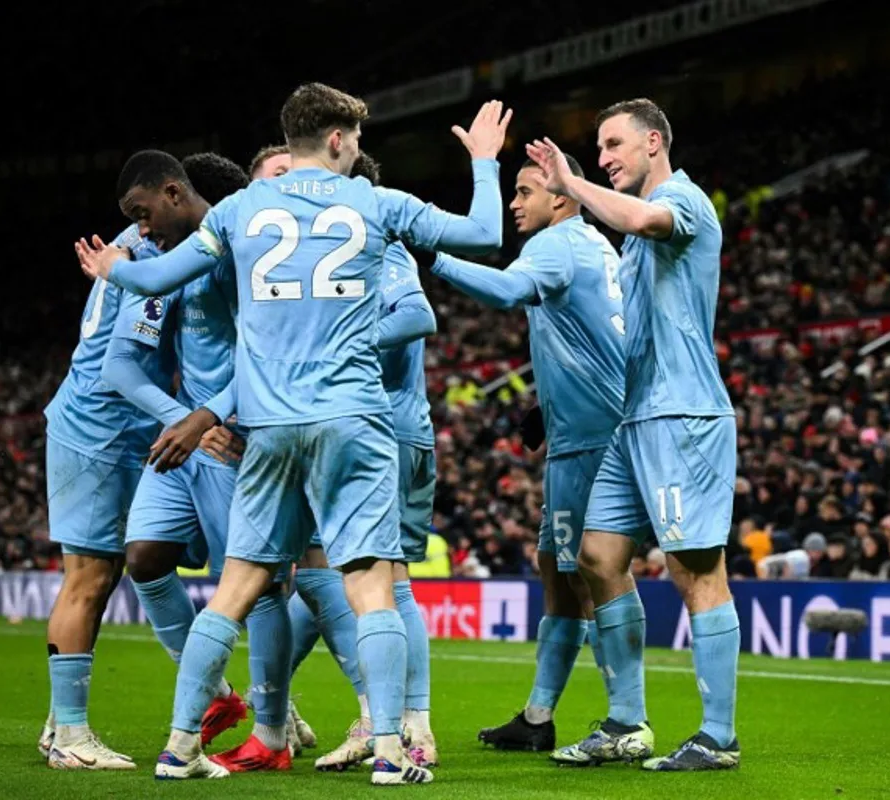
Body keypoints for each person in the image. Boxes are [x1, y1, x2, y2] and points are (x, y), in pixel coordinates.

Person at [76, 84, 510, 785]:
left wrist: (113, 270)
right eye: (357, 141)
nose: (358, 151)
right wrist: (484, 161)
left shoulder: (243, 208)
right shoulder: (376, 203)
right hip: (353, 422)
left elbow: (156, 275)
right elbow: (486, 235)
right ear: (339, 140)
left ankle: (180, 746)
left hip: (269, 428)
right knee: (372, 586)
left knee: (235, 590)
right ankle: (394, 754)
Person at [526, 98, 740, 771]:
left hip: (683, 415)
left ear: (654, 142)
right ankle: (625, 723)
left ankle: (719, 737)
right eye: (600, 147)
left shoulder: (684, 200)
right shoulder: (624, 244)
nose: (608, 156)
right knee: (596, 555)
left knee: (695, 571)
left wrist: (571, 183)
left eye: (615, 144)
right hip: (634, 418)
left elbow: (646, 219)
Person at [101, 150, 307, 773]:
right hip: (189, 438)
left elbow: (271, 354)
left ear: (172, 193)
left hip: (239, 439)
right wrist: (182, 419)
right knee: (144, 556)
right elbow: (119, 365)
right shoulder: (168, 265)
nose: (140, 231)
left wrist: (211, 415)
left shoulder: (243, 250)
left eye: (143, 215)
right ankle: (217, 695)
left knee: (263, 589)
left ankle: (275, 725)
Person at [426, 154, 625, 751]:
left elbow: (511, 290)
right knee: (558, 573)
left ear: (562, 199)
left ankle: (625, 718)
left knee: (592, 573)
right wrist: (553, 404)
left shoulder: (556, 244)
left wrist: (434, 258)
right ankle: (538, 719)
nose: (514, 203)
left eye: (524, 191)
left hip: (590, 442)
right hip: (585, 430)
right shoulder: (595, 245)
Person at [295, 152, 441, 771]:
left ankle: (403, 724)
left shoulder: (383, 248)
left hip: (386, 429)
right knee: (335, 577)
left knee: (379, 578)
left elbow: (417, 315)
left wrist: (345, 340)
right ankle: (391, 719)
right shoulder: (350, 254)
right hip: (380, 429)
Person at [39, 178, 173, 773]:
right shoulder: (149, 255)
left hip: (97, 425)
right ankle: (70, 735)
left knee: (100, 572)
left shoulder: (132, 247)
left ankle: (56, 724)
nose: (144, 228)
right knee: (88, 579)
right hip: (100, 429)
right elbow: (124, 365)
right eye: (141, 217)